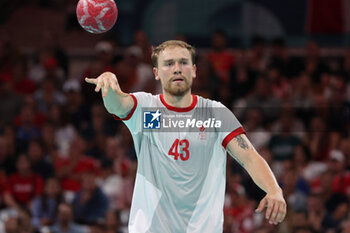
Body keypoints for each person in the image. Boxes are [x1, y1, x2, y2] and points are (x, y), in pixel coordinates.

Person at [85, 40, 286, 232]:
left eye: (183, 62)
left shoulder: (214, 113)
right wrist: (109, 85)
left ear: (194, 70)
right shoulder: (150, 110)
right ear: (156, 73)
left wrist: (273, 189)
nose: (177, 69)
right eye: (169, 64)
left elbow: (249, 156)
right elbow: (118, 105)